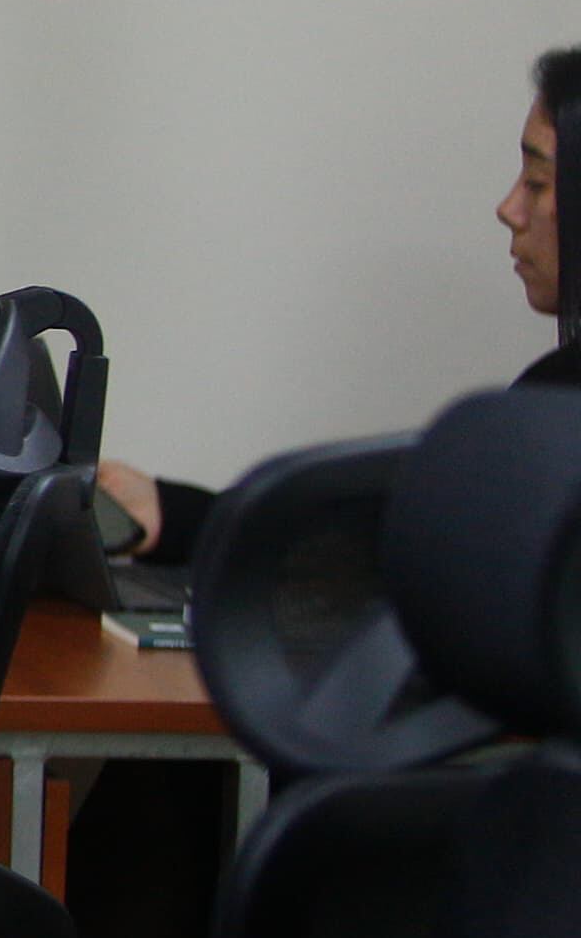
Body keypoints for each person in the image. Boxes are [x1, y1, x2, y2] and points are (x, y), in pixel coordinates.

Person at [98, 43, 579, 563]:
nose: (508, 209)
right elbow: (411, 543)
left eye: (536, 182)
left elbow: (428, 564)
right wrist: (174, 515)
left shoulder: (554, 406)